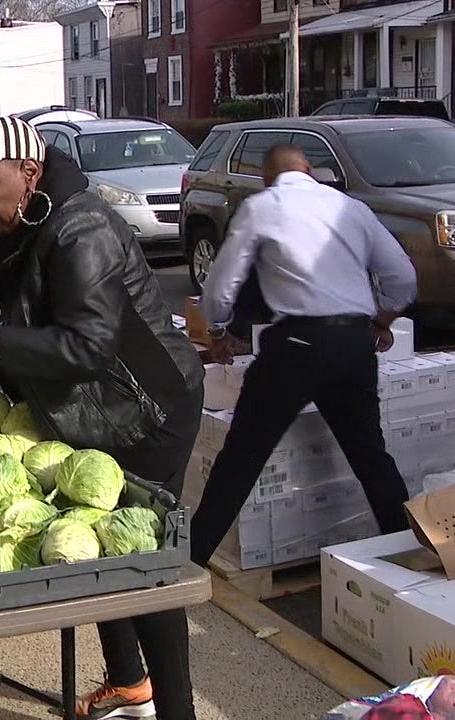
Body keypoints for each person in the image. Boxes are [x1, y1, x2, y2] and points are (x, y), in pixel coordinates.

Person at [0, 116, 204, 720]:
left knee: (143, 562)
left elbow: (86, 346)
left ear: (29, 173)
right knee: (100, 548)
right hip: (87, 414)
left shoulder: (80, 227)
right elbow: (2, 322)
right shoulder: (20, 228)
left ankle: (178, 712)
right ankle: (129, 684)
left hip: (144, 412)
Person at [189, 144, 419, 569]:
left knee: (241, 458)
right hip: (353, 344)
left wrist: (219, 330)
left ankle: (191, 559)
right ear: (309, 170)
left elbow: (221, 285)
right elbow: (403, 277)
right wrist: (382, 320)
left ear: (266, 177)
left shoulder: (262, 207)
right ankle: (410, 553)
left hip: (295, 346)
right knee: (370, 454)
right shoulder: (351, 208)